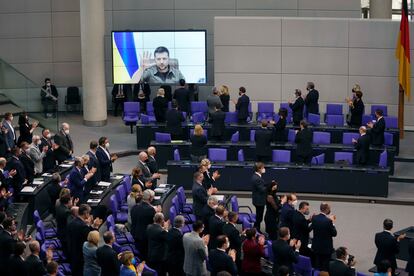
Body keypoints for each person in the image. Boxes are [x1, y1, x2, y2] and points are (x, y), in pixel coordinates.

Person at [66, 204, 103, 276]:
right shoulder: (83, 227)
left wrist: (89, 225)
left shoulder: (72, 222)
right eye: (89, 213)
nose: (89, 215)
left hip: (72, 251)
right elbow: (93, 238)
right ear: (85, 213)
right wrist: (96, 227)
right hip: (80, 255)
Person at [131, 189, 157, 259]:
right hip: (145, 239)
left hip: (134, 234)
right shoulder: (151, 210)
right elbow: (155, 224)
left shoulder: (134, 207)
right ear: (150, 198)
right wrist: (157, 213)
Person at [311, 202, 337, 272]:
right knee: (325, 267)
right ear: (327, 209)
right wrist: (333, 223)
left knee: (317, 265)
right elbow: (334, 233)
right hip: (326, 248)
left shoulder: (314, 218)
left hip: (316, 246)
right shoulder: (328, 221)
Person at [251, 162, 267, 231]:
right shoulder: (256, 178)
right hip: (259, 201)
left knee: (259, 217)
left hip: (258, 199)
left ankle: (256, 229)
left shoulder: (257, 176)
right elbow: (262, 189)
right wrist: (270, 187)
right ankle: (256, 230)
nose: (264, 169)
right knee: (259, 218)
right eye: (263, 168)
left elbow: (262, 186)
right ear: (259, 169)